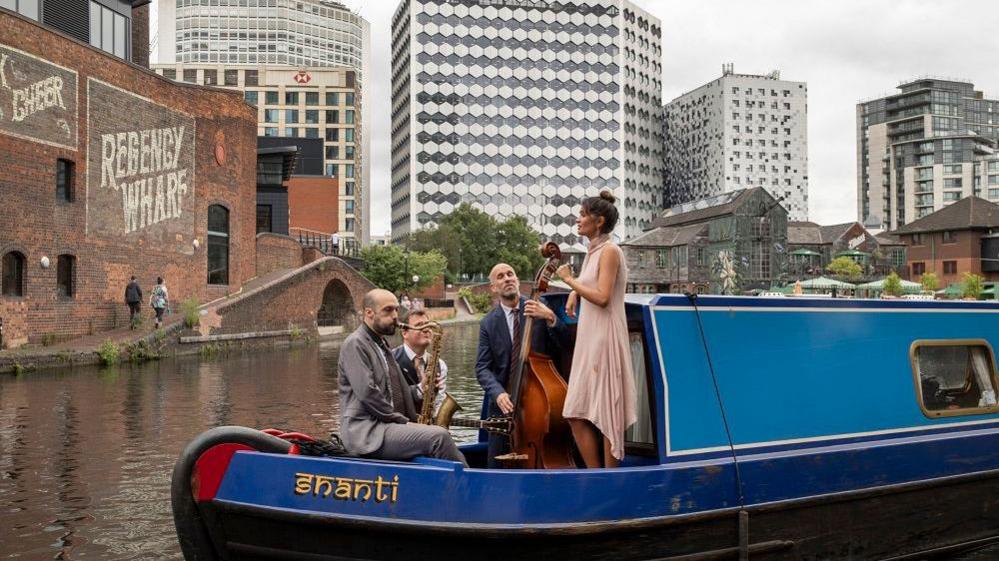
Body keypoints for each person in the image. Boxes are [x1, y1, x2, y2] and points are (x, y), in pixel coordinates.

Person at [338, 288, 466, 465]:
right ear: (369, 313)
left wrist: (422, 391)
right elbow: (368, 393)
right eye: (388, 310)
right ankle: (473, 486)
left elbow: (397, 390)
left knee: (435, 433)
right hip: (366, 433)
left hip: (384, 428)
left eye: (397, 309)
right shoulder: (355, 343)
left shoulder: (381, 343)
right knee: (439, 436)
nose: (395, 316)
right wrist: (404, 423)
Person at [555, 190, 636, 468]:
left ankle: (608, 479)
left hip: (604, 337)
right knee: (575, 411)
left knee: (606, 412)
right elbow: (593, 285)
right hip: (589, 339)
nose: (577, 220)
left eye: (582, 214)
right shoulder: (593, 252)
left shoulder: (611, 250)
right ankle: (595, 474)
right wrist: (575, 292)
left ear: (598, 221)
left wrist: (569, 282)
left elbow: (602, 297)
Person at [475, 262, 571, 468]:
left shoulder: (539, 307)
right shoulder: (488, 323)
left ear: (517, 281)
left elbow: (567, 345)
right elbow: (482, 368)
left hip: (539, 403)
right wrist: (498, 393)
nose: (507, 278)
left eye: (511, 274)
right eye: (500, 276)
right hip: (503, 409)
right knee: (496, 468)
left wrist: (551, 317)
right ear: (493, 288)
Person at [392, 309, 447, 416]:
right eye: (419, 325)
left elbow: (439, 401)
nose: (426, 329)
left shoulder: (440, 364)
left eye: (428, 325)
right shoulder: (390, 360)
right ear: (405, 333)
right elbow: (391, 399)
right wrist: (422, 388)